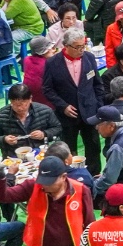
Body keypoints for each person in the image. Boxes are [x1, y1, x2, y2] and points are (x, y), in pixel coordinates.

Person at [41, 28, 107, 173]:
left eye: (83, 46)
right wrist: (62, 106)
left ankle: (94, 176)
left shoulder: (89, 58)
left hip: (90, 112)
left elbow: (98, 85)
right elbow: (47, 89)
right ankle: (71, 178)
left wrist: (99, 108)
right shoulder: (52, 63)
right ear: (66, 46)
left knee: (94, 147)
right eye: (77, 47)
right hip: (67, 115)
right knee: (68, 150)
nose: (81, 50)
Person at [0, 83, 62, 152]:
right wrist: (4, 139)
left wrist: (44, 134)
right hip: (13, 157)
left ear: (30, 99)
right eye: (15, 104)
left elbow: (57, 128)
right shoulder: (0, 116)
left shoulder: (45, 111)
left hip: (40, 153)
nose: (19, 108)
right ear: (10, 101)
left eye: (22, 104)